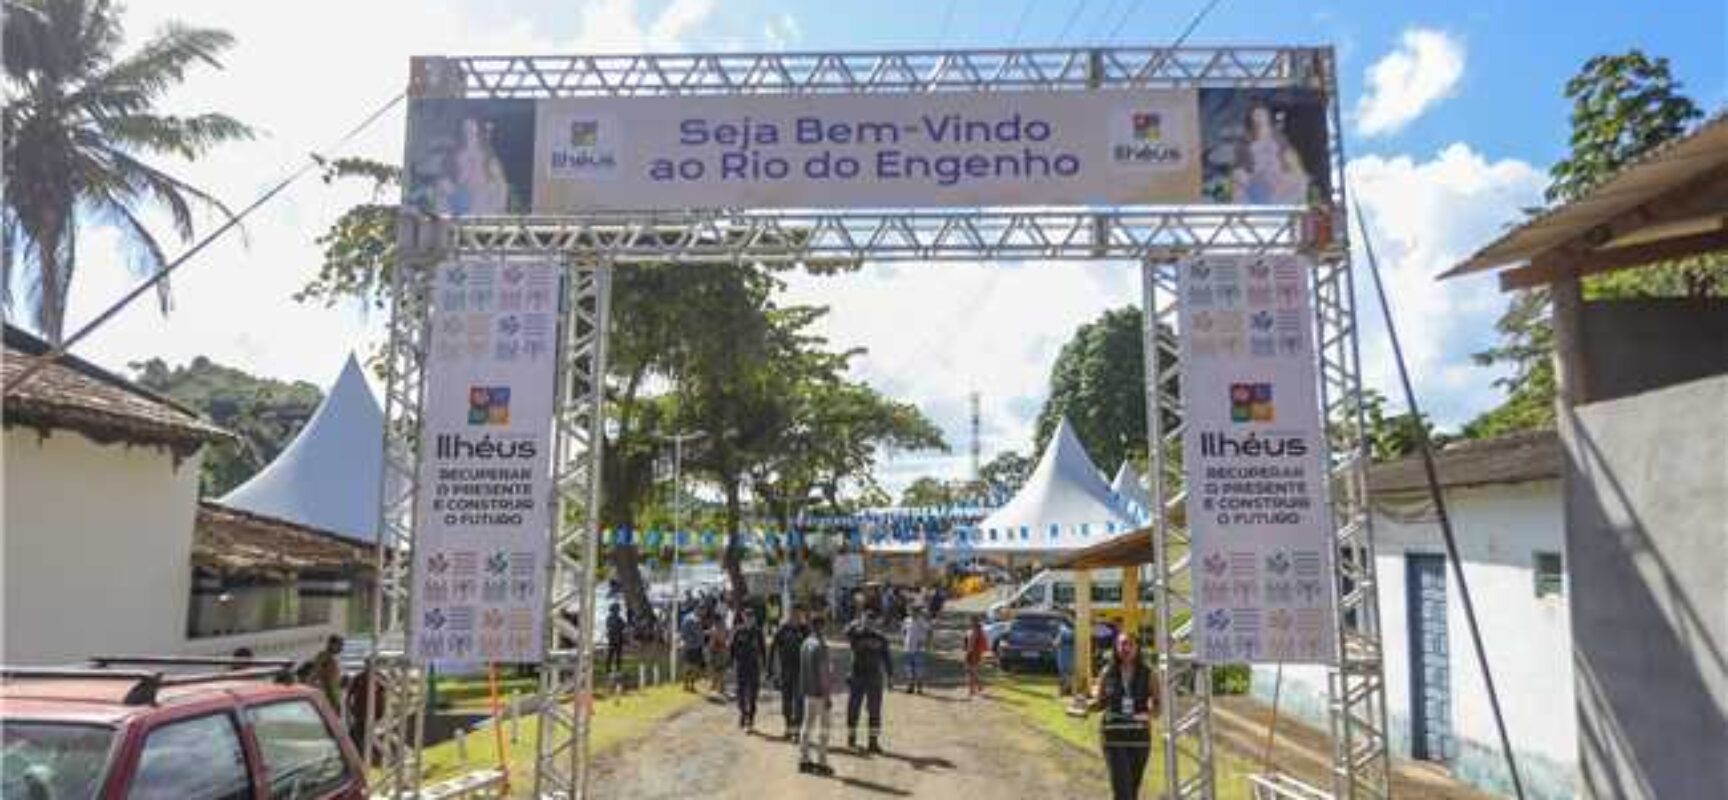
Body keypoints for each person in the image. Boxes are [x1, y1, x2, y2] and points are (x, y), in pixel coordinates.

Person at [1089, 633, 1158, 800]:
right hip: (1114, 736)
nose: (1125, 648)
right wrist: (1085, 706)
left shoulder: (1148, 673)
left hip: (1139, 738)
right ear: (1115, 648)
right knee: (1122, 790)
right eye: (1121, 645)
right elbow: (1100, 703)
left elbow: (1158, 703)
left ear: (1137, 648)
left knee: (1133, 789)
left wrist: (1149, 714)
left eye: (1129, 644)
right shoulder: (1107, 672)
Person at [844, 610, 892, 753]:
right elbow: (845, 631)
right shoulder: (855, 634)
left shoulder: (881, 638)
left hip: (874, 678)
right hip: (857, 677)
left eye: (871, 621)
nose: (868, 624)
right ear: (862, 621)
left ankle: (873, 742)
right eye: (866, 621)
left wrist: (890, 676)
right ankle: (851, 740)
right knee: (853, 709)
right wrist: (856, 622)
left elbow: (887, 658)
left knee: (874, 711)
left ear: (875, 622)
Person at [798, 616, 836, 776]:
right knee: (824, 728)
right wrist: (827, 696)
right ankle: (822, 762)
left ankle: (804, 759)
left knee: (806, 725)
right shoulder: (821, 646)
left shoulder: (805, 643)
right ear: (821, 627)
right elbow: (823, 672)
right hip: (820, 692)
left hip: (808, 691)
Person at [769, 607, 810, 740]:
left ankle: (797, 730)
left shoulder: (805, 630)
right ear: (789, 615)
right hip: (785, 671)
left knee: (799, 702)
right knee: (786, 701)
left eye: (799, 614)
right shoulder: (782, 630)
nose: (796, 617)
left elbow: (813, 649)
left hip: (801, 671)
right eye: (793, 614)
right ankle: (788, 727)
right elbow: (773, 649)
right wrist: (771, 670)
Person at [730, 610, 768, 731]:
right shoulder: (738, 631)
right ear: (743, 617)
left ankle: (751, 718)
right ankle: (743, 713)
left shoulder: (757, 632)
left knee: (753, 694)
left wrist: (765, 666)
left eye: (751, 617)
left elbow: (762, 650)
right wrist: (732, 663)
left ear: (754, 619)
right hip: (741, 665)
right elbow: (732, 648)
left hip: (753, 666)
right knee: (740, 693)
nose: (749, 619)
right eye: (747, 617)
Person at [304, 635, 344, 710]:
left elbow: (333, 679)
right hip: (328, 697)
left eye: (341, 645)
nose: (341, 648)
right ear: (331, 644)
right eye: (339, 645)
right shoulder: (324, 657)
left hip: (334, 697)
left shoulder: (331, 658)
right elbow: (315, 675)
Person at [901, 609, 931, 695]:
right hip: (907, 648)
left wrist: (927, 643)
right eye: (911, 611)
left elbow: (929, 631)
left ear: (918, 612)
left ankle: (919, 688)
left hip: (919, 649)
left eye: (915, 611)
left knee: (919, 669)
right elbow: (903, 631)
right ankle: (910, 687)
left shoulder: (922, 621)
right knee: (908, 669)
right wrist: (904, 640)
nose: (913, 613)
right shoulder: (906, 620)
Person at [679, 609, 705, 692]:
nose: (703, 612)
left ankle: (688, 685)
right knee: (690, 666)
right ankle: (688, 685)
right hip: (692, 646)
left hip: (693, 646)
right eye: (702, 610)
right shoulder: (694, 619)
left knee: (691, 666)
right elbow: (697, 633)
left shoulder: (688, 618)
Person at [963, 616, 988, 698]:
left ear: (973, 622)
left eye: (970, 621)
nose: (969, 622)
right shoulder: (978, 630)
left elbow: (971, 644)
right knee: (973, 672)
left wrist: (967, 654)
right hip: (977, 653)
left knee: (971, 672)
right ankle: (979, 687)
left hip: (973, 653)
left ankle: (972, 690)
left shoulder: (974, 631)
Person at [604, 603, 627, 676]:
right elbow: (623, 626)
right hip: (615, 638)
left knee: (614, 655)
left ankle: (612, 669)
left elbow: (622, 626)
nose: (618, 611)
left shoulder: (611, 618)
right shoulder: (616, 618)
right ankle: (613, 669)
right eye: (617, 610)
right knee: (615, 655)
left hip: (614, 638)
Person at [1055, 621, 1076, 697]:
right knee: (1069, 674)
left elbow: (1056, 643)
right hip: (1070, 655)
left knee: (1065, 674)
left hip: (1064, 655)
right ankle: (1066, 691)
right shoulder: (1072, 632)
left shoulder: (1063, 631)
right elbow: (1057, 643)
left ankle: (1064, 691)